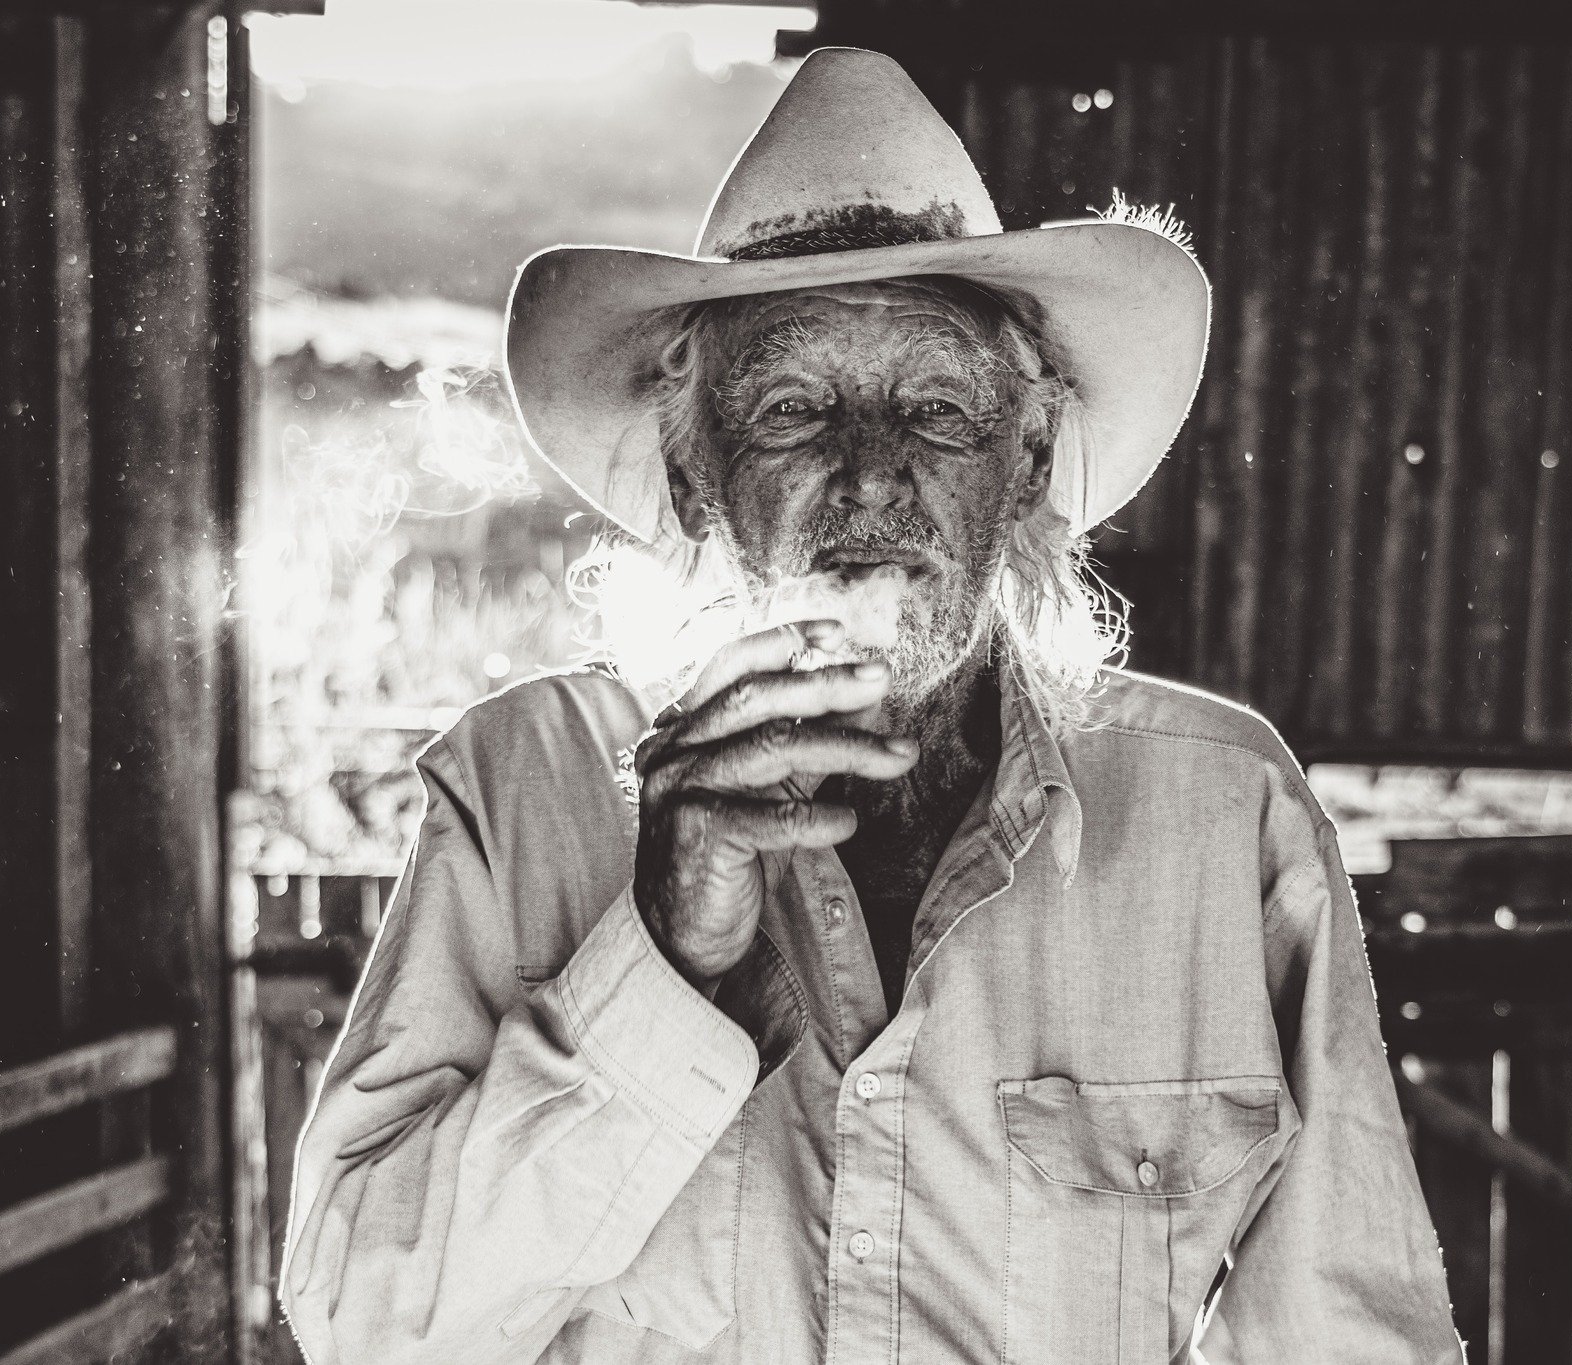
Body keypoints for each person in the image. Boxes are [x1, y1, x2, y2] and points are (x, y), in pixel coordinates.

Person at [281, 46, 1462, 1365]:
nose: (871, 480)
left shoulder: (1224, 813)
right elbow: (364, 1329)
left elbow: (1352, 1336)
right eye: (794, 410)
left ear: (1025, 463)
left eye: (937, 411)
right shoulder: (520, 788)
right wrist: (659, 958)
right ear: (696, 475)